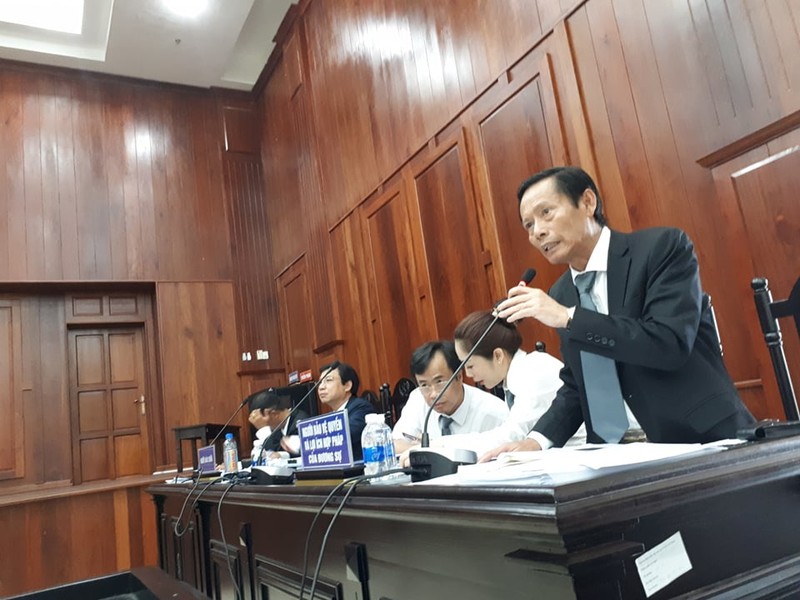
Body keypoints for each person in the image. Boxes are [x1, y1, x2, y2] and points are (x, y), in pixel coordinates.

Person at [486, 165, 754, 457]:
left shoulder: (661, 248)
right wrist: (536, 441)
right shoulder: (561, 292)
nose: (537, 232)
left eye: (546, 213)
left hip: (700, 440)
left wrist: (569, 318)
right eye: (528, 225)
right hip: (613, 454)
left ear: (588, 202)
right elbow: (579, 383)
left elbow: (668, 343)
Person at [453, 311, 584, 448]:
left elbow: (512, 437)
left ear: (498, 356)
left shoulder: (532, 372)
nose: (468, 374)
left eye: (470, 365)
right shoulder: (513, 379)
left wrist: (446, 444)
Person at [392, 340, 509, 454]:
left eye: (440, 382)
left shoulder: (494, 412)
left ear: (459, 377)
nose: (433, 394)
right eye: (424, 385)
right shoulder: (417, 399)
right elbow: (395, 445)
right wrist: (424, 449)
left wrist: (428, 449)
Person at [317, 361, 376, 460]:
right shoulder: (330, 416)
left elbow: (343, 436)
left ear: (347, 385)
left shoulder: (361, 408)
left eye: (328, 380)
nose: (321, 387)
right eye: (319, 382)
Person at [248, 390, 309, 463]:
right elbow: (268, 448)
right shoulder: (278, 425)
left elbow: (299, 451)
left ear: (274, 414)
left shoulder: (301, 422)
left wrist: (263, 429)